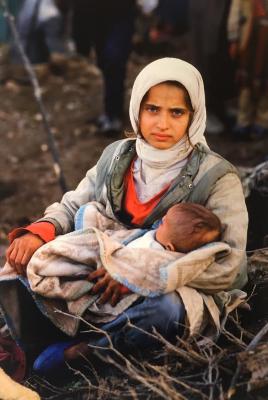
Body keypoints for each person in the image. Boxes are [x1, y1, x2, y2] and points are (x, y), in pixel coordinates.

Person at [3, 57, 248, 378]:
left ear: (194, 115)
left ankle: (91, 351)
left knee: (167, 309)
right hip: (102, 274)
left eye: (177, 113)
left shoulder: (215, 177)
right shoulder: (119, 155)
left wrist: (139, 272)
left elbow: (231, 268)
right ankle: (35, 346)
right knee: (22, 267)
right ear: (137, 109)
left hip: (165, 285)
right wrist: (41, 231)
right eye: (152, 109)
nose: (162, 123)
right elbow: (76, 201)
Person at [75, 201, 222, 253]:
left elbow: (134, 267)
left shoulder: (154, 253)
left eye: (164, 223)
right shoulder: (154, 235)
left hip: (116, 263)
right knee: (88, 213)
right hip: (119, 242)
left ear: (169, 248)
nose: (161, 220)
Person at [227, 0, 268, 139]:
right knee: (245, 83)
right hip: (249, 40)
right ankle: (244, 120)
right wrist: (233, 38)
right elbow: (235, 13)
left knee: (265, 83)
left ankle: (262, 120)